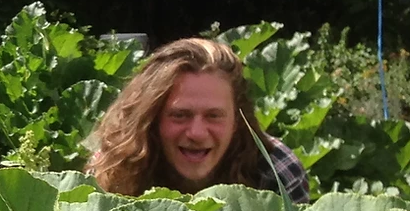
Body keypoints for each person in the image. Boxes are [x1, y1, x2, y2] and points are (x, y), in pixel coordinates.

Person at [86, 36, 310, 201]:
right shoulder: (113, 167)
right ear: (152, 119)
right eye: (180, 115)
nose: (197, 133)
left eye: (214, 116)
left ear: (237, 121)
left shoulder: (277, 173)